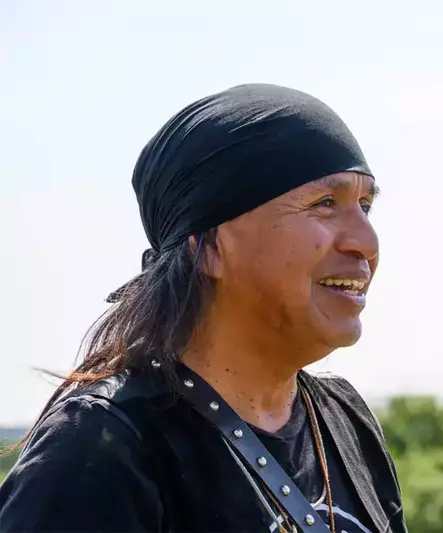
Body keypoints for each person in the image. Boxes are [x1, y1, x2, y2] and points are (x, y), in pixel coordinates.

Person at [0, 84, 407, 533]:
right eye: (325, 204)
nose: (366, 243)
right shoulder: (101, 450)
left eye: (366, 206)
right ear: (208, 246)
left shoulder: (344, 422)